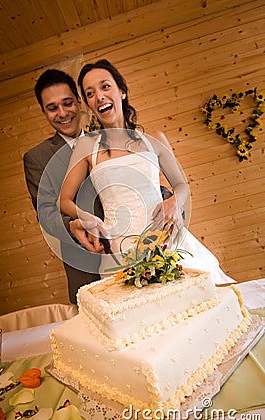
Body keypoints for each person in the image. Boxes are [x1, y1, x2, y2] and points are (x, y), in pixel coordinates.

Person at [60, 59, 235, 284]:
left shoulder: (154, 139)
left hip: (167, 239)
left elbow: (181, 185)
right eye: (90, 93)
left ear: (121, 92)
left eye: (105, 87)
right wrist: (86, 218)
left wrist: (174, 201)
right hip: (122, 248)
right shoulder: (86, 147)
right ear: (88, 104)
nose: (99, 97)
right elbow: (64, 200)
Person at [23, 69, 104, 304]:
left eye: (67, 103)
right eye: (52, 108)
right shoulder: (37, 158)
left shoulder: (106, 138)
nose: (62, 113)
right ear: (44, 112)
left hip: (131, 254)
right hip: (86, 269)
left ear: (79, 101)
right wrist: (74, 226)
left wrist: (166, 196)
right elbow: (47, 214)